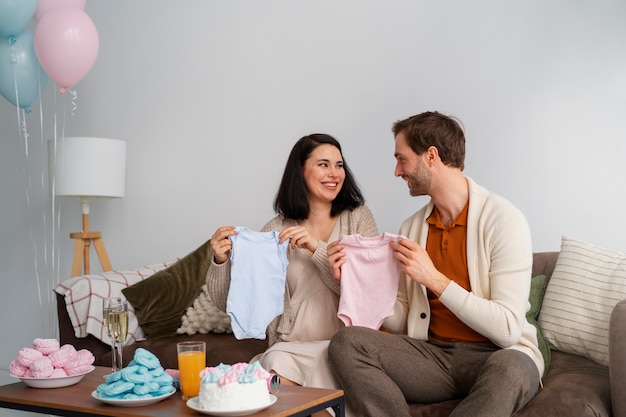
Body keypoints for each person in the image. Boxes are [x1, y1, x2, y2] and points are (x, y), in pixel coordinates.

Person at [327, 111, 542, 417]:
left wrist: (435, 280)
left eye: (402, 159)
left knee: (513, 368)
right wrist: (351, 279)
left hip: (496, 355)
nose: (397, 171)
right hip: (432, 357)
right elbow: (401, 321)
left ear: (431, 156)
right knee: (347, 342)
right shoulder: (412, 228)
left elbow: (508, 329)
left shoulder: (504, 220)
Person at [207, 133, 379, 394]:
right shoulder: (275, 229)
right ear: (300, 171)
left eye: (339, 165)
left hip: (344, 348)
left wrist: (316, 248)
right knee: (274, 365)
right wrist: (221, 262)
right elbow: (236, 302)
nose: (334, 174)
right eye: (323, 164)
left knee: (270, 375)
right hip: (288, 348)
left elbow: (366, 293)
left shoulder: (358, 219)